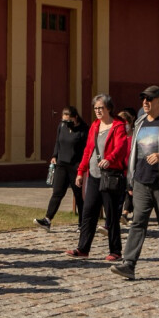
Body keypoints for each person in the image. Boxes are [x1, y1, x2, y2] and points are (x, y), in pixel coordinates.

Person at [110, 86, 159, 281]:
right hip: (141, 181)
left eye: (149, 99)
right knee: (137, 223)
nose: (145, 102)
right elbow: (134, 153)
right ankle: (129, 264)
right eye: (143, 99)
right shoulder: (140, 122)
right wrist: (131, 179)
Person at [68, 94, 130, 260]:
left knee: (111, 215)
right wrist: (81, 172)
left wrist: (109, 159)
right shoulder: (95, 126)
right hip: (94, 175)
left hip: (110, 175)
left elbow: (121, 147)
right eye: (95, 108)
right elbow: (88, 150)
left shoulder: (118, 125)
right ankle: (83, 248)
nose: (97, 111)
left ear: (108, 108)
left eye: (100, 108)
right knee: (88, 212)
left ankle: (115, 251)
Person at [35, 106, 88, 230]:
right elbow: (58, 142)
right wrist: (55, 155)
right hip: (61, 164)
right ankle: (47, 220)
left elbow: (87, 149)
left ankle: (83, 223)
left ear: (75, 118)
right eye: (64, 121)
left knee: (79, 195)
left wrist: (82, 167)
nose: (66, 124)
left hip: (76, 165)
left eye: (68, 121)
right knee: (57, 193)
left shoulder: (84, 129)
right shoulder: (62, 126)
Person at [117, 110, 137, 223]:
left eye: (126, 123)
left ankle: (125, 213)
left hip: (132, 169)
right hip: (120, 169)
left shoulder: (134, 137)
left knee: (130, 191)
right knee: (123, 192)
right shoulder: (119, 136)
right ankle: (123, 213)